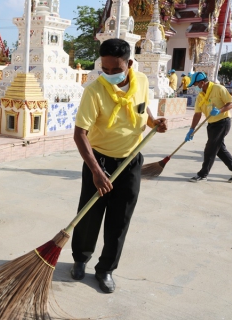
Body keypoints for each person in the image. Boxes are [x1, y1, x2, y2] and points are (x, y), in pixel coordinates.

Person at [70, 38, 168, 294]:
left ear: (129, 64)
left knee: (120, 219)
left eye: (116, 69)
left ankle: (106, 270)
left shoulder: (143, 82)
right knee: (89, 215)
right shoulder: (94, 91)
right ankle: (81, 259)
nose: (110, 74)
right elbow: (80, 134)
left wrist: (155, 122)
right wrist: (96, 171)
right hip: (99, 159)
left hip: (131, 160)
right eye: (105, 69)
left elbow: (143, 109)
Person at [184, 72, 232, 183]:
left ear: (202, 82)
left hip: (222, 122)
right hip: (211, 125)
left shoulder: (218, 88)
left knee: (210, 149)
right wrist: (191, 130)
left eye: (196, 84)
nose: (196, 87)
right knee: (219, 149)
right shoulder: (200, 96)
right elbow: (197, 114)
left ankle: (203, 174)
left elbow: (231, 102)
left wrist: (220, 110)